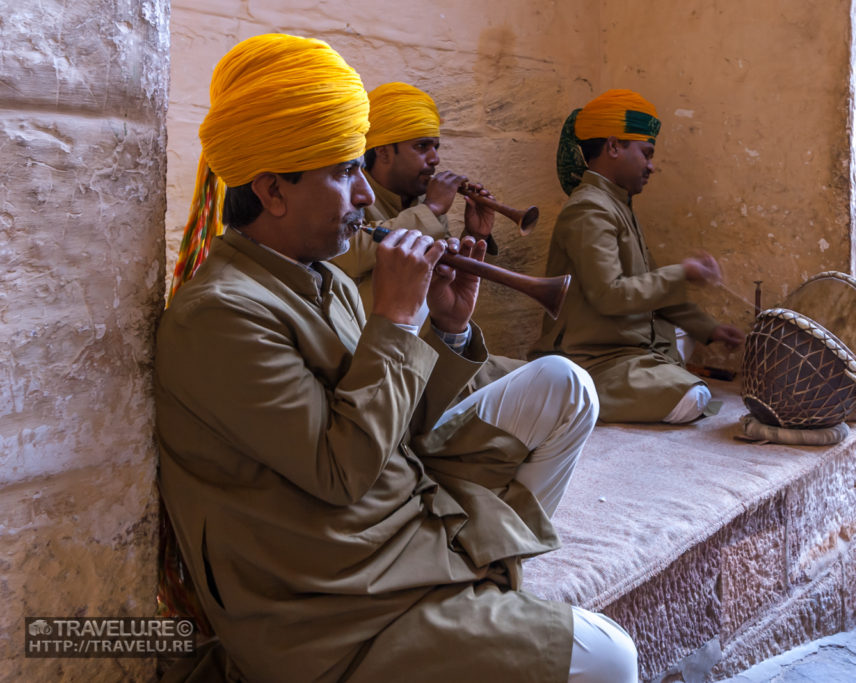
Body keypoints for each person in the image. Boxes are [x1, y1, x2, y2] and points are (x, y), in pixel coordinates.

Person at [157, 34, 637, 683]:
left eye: (361, 169)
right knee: (610, 656)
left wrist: (445, 328)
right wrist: (394, 317)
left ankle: (483, 602)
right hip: (333, 605)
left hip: (393, 533)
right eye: (342, 171)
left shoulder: (314, 275)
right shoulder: (219, 316)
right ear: (272, 189)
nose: (362, 195)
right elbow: (340, 469)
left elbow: (399, 426)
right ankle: (474, 614)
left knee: (564, 384)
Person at [531, 89, 745, 424]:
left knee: (683, 363)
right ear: (614, 147)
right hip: (593, 359)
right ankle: (569, 393)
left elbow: (656, 295)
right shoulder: (589, 208)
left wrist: (711, 330)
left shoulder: (617, 205)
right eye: (646, 153)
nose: (651, 166)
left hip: (628, 353)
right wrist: (683, 272)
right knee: (692, 395)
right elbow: (611, 295)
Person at [332, 81, 497, 314]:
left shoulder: (421, 201)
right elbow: (351, 254)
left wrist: (475, 234)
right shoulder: (350, 192)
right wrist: (431, 209)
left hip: (427, 339)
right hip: (364, 337)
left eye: (436, 147)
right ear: (383, 151)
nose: (435, 159)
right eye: (422, 146)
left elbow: (447, 277)